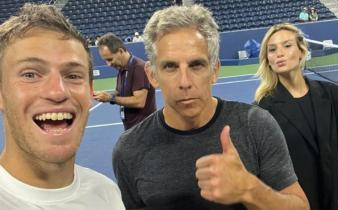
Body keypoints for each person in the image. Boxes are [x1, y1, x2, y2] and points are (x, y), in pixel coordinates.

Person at [112, 5, 310, 210]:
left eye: (196, 65)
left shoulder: (256, 125)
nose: (185, 82)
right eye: (170, 67)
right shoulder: (128, 150)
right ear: (152, 75)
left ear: (214, 70)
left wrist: (250, 190)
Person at [0, 3, 125, 210]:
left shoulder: (106, 193)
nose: (57, 92)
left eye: (73, 76)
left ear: (89, 91)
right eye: (30, 74)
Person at [254, 23, 338, 210]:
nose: (279, 53)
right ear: (267, 59)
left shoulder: (331, 94)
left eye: (287, 46)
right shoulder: (261, 109)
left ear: (302, 52)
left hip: (331, 202)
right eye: (272, 49)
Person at [94, 33, 156, 130]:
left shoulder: (138, 68)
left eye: (110, 59)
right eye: (105, 60)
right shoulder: (122, 69)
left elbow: (139, 101)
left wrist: (110, 98)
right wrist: (104, 95)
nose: (108, 64)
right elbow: (119, 92)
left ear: (120, 51)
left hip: (144, 129)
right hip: (132, 127)